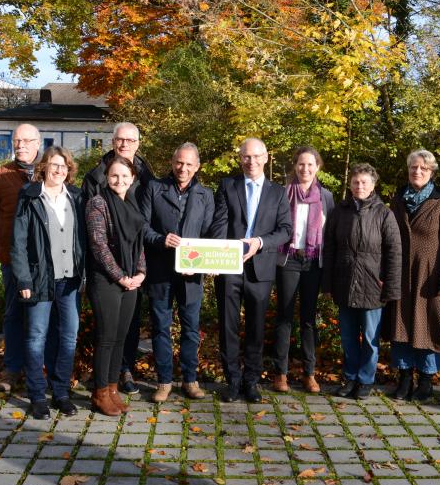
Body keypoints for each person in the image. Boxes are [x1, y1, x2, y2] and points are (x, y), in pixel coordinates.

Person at [210, 138, 292, 403]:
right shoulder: (227, 185)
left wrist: (260, 242)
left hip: (261, 267)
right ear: (240, 158)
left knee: (256, 327)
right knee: (228, 325)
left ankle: (251, 381)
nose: (251, 161)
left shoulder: (278, 192)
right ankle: (232, 380)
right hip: (229, 266)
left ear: (266, 158)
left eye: (256, 156)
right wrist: (217, 256)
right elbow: (220, 223)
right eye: (246, 156)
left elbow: (285, 231)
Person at [11, 146, 86, 420]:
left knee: (68, 335)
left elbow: (84, 239)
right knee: (36, 337)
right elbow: (17, 242)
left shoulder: (76, 197)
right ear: (44, 167)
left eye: (63, 167)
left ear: (69, 171)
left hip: (70, 280)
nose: (59, 171)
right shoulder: (30, 196)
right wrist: (23, 278)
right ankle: (38, 396)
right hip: (39, 279)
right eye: (54, 165)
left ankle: (62, 392)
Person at [82, 122, 154, 395]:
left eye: (130, 140)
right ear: (112, 142)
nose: (124, 144)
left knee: (126, 329)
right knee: (108, 334)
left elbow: (141, 233)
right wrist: (120, 275)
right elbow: (96, 239)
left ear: (137, 143)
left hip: (133, 270)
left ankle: (122, 374)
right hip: (108, 271)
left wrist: (140, 272)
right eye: (120, 139)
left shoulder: (146, 177)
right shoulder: (96, 180)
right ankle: (104, 388)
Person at [140, 143, 215, 402]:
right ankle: (164, 381)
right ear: (172, 163)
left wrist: (201, 262)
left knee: (191, 328)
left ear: (197, 167)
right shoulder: (154, 188)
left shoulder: (206, 195)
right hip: (160, 270)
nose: (183, 168)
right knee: (161, 327)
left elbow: (208, 235)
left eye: (189, 164)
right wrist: (161, 239)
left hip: (191, 274)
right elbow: (142, 227)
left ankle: (190, 380)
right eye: (179, 163)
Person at [323, 163, 401, 400]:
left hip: (372, 285)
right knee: (347, 336)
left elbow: (394, 251)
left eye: (364, 182)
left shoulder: (384, 214)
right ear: (350, 184)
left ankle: (365, 380)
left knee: (369, 337)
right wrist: (327, 283)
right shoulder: (339, 211)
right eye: (356, 182)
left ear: (373, 185)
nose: (360, 186)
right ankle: (350, 377)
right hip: (344, 282)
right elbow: (330, 249)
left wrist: (389, 285)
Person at [387, 150, 440, 402]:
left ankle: (426, 380)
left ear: (431, 173)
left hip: (430, 276)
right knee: (401, 323)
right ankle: (404, 377)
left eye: (423, 169)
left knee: (428, 324)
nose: (417, 172)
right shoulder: (397, 201)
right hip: (401, 273)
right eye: (413, 168)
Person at [272, 146, 335, 394]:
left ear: (317, 167)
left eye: (310, 164)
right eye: (301, 164)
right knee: (284, 317)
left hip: (313, 263)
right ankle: (281, 374)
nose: (305, 169)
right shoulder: (283, 193)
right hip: (288, 260)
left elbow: (330, 234)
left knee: (308, 320)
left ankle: (309, 374)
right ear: (295, 166)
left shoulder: (326, 197)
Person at [0, 123, 41, 393]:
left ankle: (39, 369)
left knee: (42, 317)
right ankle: (12, 368)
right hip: (12, 259)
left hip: (44, 261)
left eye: (27, 141)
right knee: (13, 314)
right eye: (17, 141)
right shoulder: (0, 175)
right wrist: (8, 238)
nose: (21, 146)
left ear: (38, 144)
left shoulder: (49, 172)